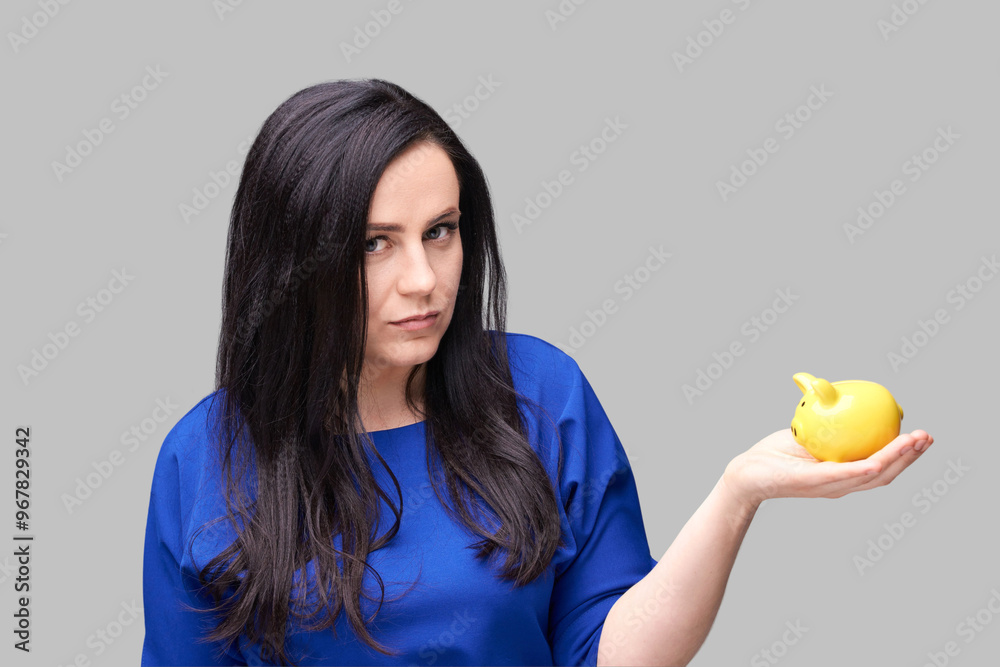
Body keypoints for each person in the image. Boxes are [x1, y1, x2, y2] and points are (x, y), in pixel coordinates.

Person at [140, 79, 934, 667]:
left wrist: (738, 494)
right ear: (291, 263)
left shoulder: (542, 396)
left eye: (440, 231)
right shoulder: (200, 457)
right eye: (374, 243)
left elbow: (610, 654)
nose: (424, 278)